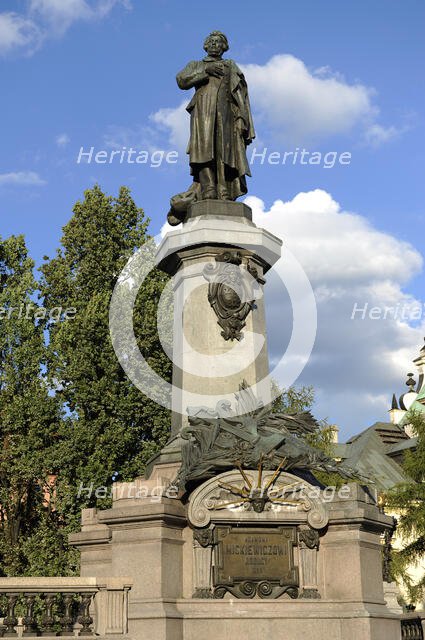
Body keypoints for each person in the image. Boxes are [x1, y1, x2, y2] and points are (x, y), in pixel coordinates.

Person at [168, 31, 255, 225]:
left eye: (219, 42)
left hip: (226, 114)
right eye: (212, 42)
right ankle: (208, 189)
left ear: (224, 48)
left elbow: (240, 94)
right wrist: (206, 72)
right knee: (204, 150)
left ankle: (224, 191)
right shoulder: (196, 65)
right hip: (203, 111)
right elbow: (181, 81)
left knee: (226, 152)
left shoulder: (230, 66)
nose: (215, 44)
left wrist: (241, 118)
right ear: (205, 46)